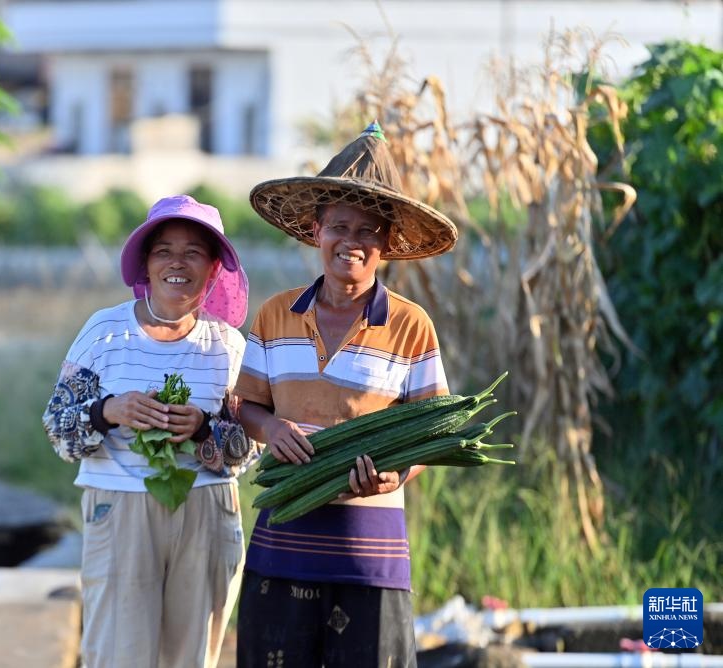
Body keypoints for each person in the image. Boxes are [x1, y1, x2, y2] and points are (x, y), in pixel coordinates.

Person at [234, 122, 459, 668]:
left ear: (386, 244)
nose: (351, 242)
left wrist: (395, 474)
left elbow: (430, 435)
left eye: (368, 230)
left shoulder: (411, 325)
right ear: (316, 231)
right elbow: (244, 406)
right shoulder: (274, 315)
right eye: (339, 226)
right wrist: (271, 430)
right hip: (282, 542)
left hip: (370, 554)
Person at [42, 194, 257, 668]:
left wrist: (203, 429)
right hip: (119, 507)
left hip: (206, 506)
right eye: (164, 250)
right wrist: (108, 412)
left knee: (191, 657)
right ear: (146, 263)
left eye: (193, 252)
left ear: (212, 268)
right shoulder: (104, 332)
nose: (177, 263)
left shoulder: (228, 346)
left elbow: (249, 451)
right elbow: (59, 431)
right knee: (118, 653)